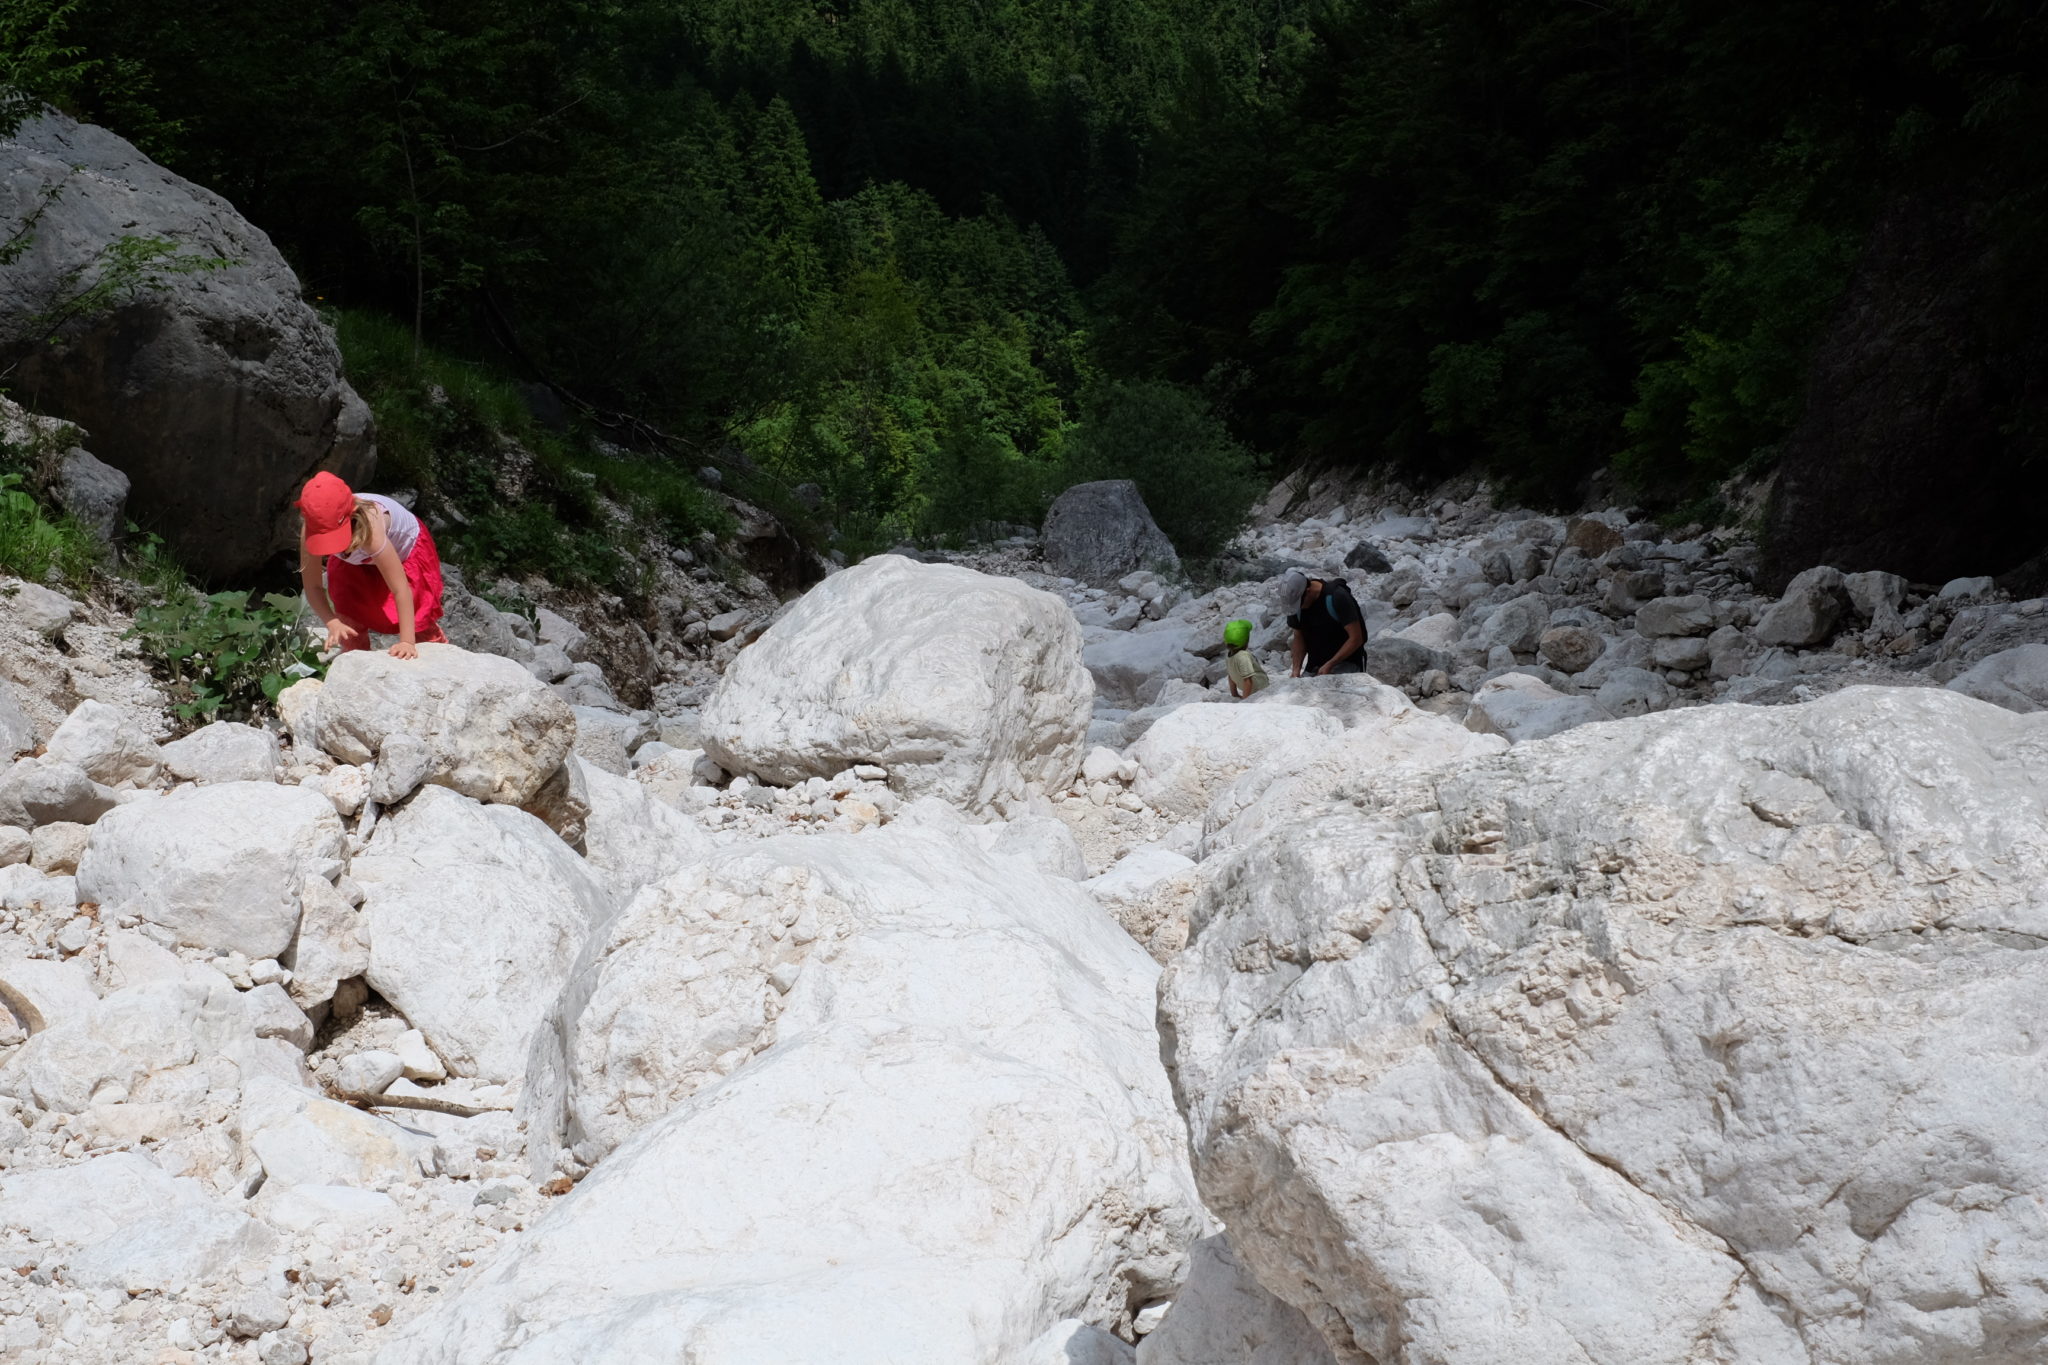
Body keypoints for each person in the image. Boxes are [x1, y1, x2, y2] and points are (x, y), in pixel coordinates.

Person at [297, 472, 445, 660]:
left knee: (417, 617)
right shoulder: (310, 530)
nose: (331, 546)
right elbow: (313, 586)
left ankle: (435, 648)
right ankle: (354, 657)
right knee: (348, 610)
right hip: (354, 561)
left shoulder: (371, 526)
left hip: (403, 555)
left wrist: (407, 642)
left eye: (334, 538)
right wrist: (332, 622)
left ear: (351, 517)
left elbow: (401, 589)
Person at [1277, 568, 1366, 677]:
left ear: (1308, 591)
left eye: (1300, 604)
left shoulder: (1337, 597)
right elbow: (1298, 636)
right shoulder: (1295, 603)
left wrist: (1331, 663)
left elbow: (1356, 638)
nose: (1298, 608)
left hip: (1347, 662)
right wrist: (1296, 670)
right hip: (1315, 663)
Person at [1223, 618, 1270, 698]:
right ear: (1246, 642)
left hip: (1250, 689)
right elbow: (1248, 680)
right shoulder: (1243, 656)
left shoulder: (1228, 655)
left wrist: (1234, 694)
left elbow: (1231, 676)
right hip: (1260, 688)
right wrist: (1246, 701)